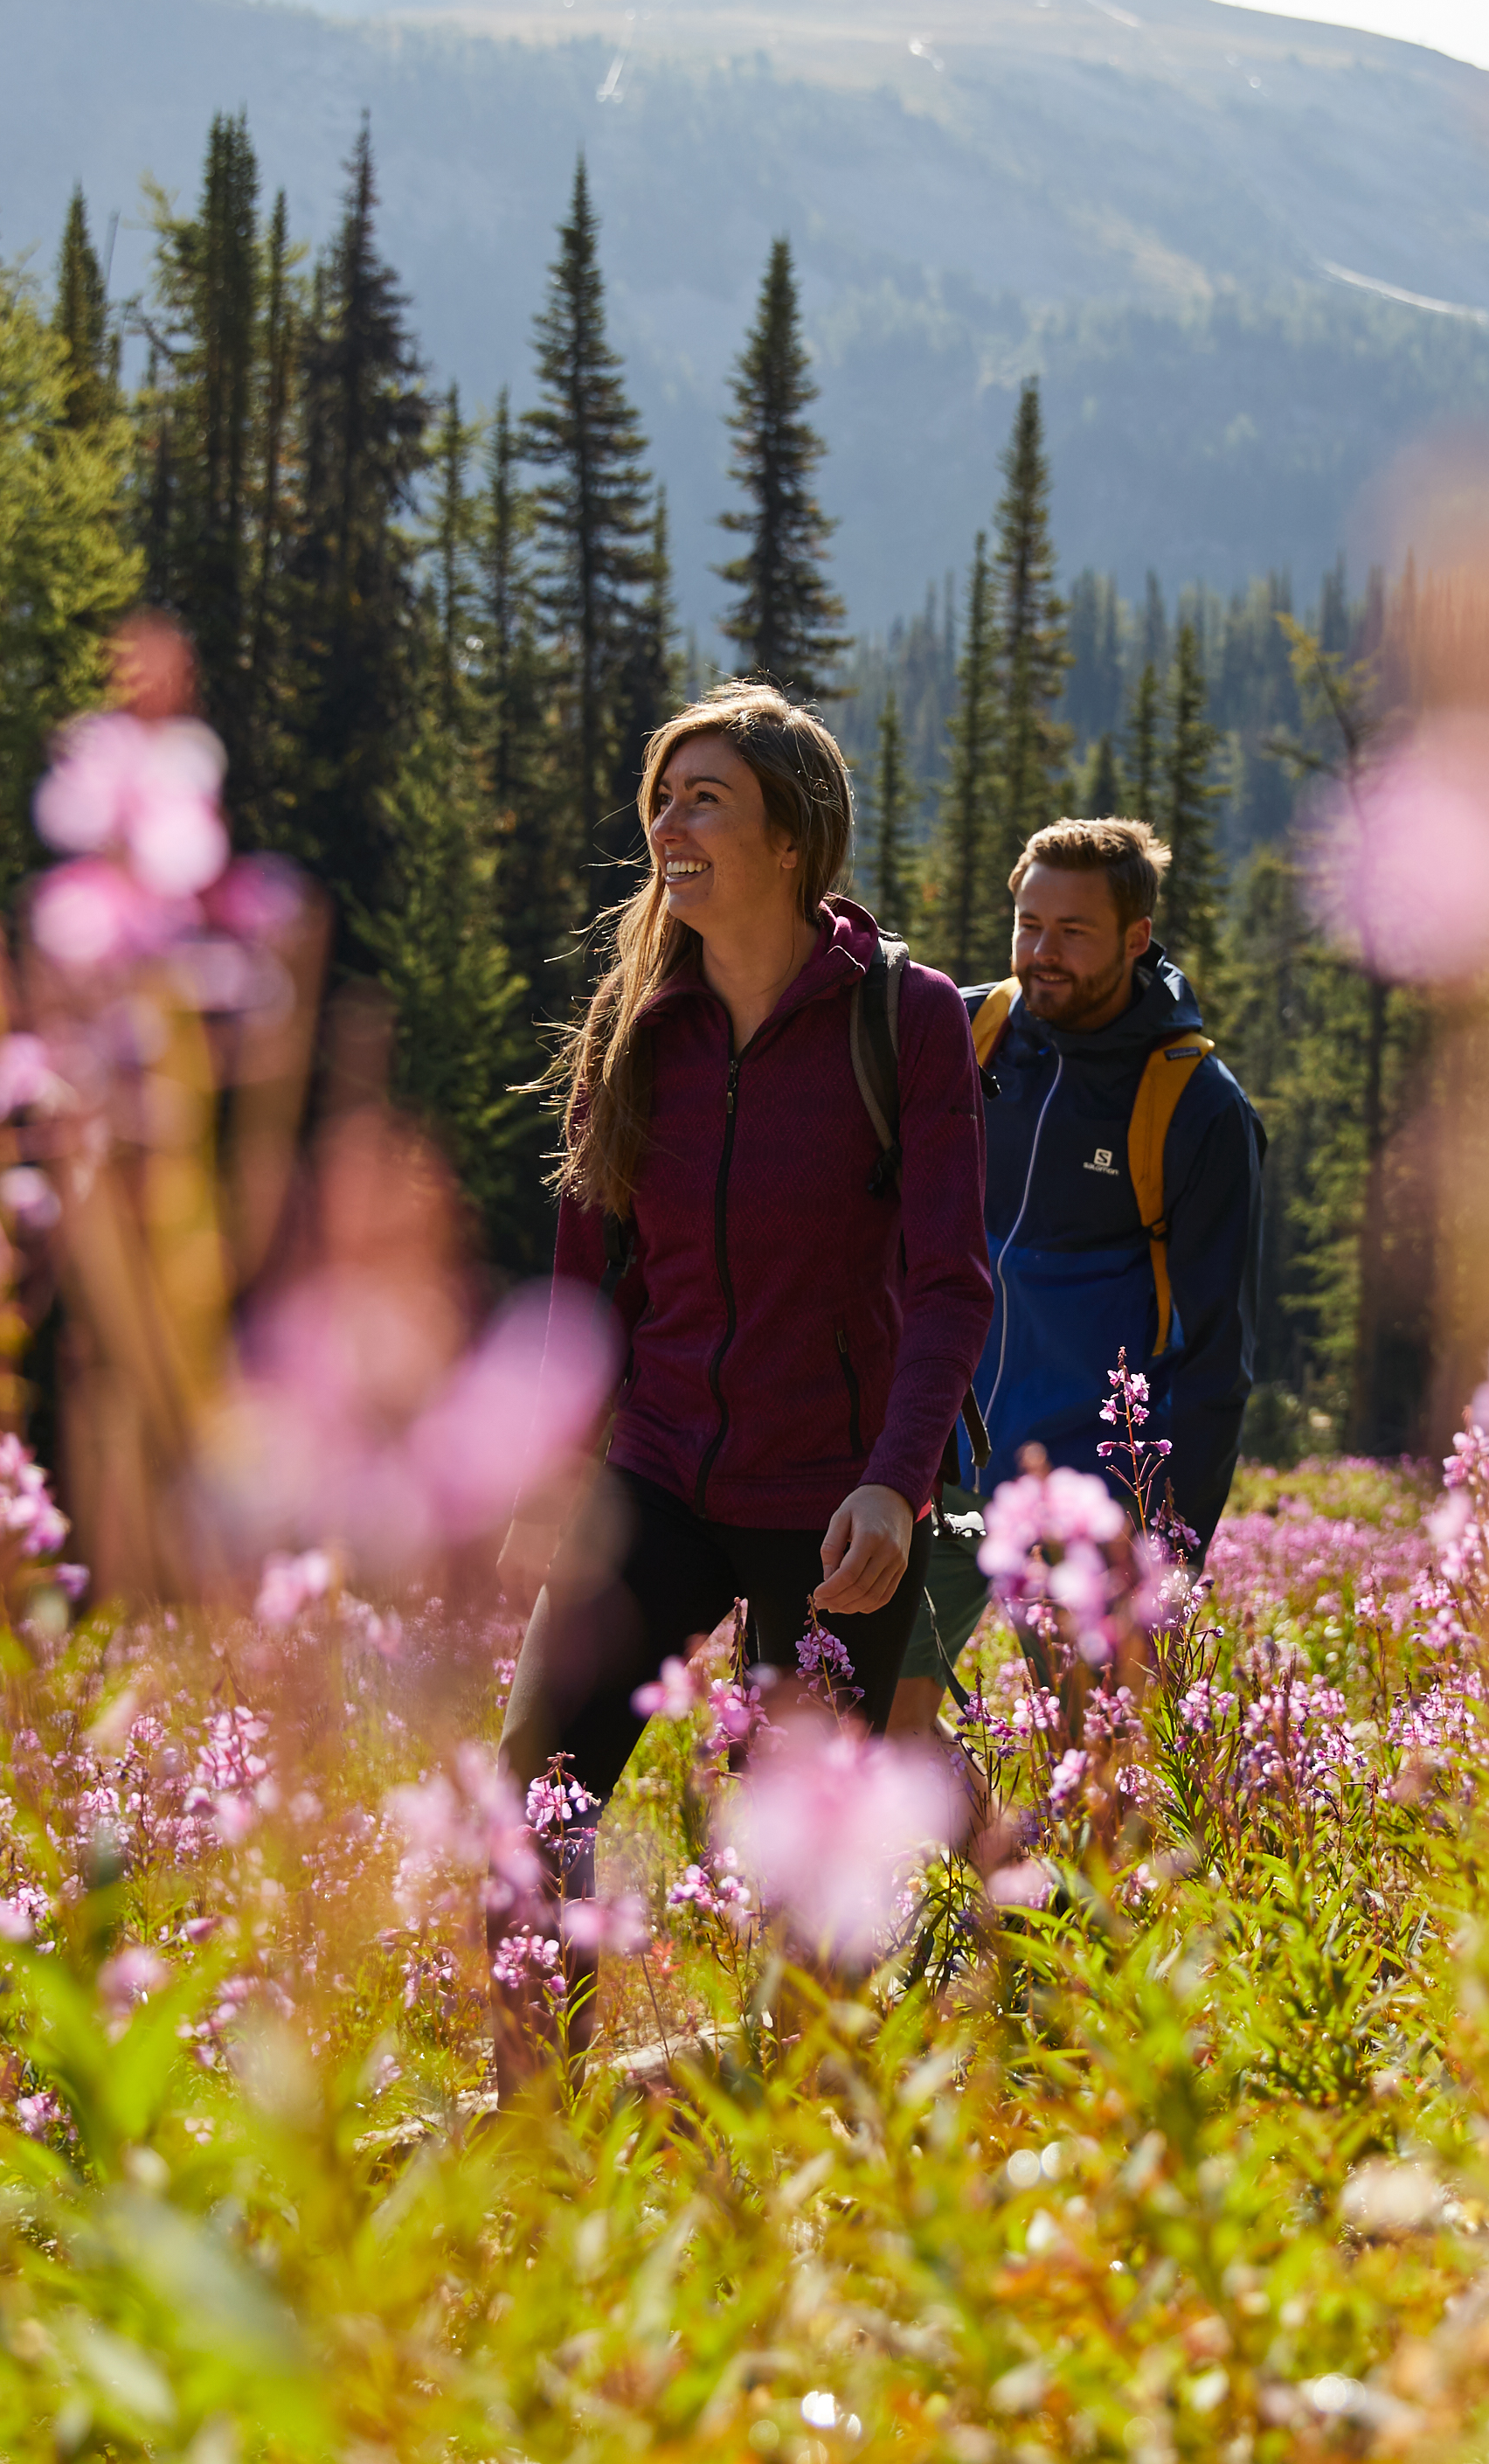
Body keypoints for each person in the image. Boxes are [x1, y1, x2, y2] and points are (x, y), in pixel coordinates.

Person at [498, 683, 991, 1829]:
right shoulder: (634, 1019)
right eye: (661, 799)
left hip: (834, 1504)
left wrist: (894, 1483)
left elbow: (950, 1283)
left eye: (705, 801)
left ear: (789, 839)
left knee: (815, 1851)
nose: (667, 827)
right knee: (532, 1796)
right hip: (655, 1480)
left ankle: (986, 1943)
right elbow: (587, 1282)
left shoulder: (904, 1018)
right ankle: (537, 2015)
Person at [888, 816, 1261, 1739]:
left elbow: (1216, 1358)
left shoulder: (1198, 1108)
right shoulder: (960, 1033)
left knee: (1098, 1759)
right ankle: (985, 1869)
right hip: (936, 1459)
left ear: (1137, 939)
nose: (1039, 953)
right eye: (1027, 924)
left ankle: (1072, 1890)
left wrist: (1174, 1551)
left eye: (1072, 932)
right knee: (876, 1719)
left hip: (1086, 1493)